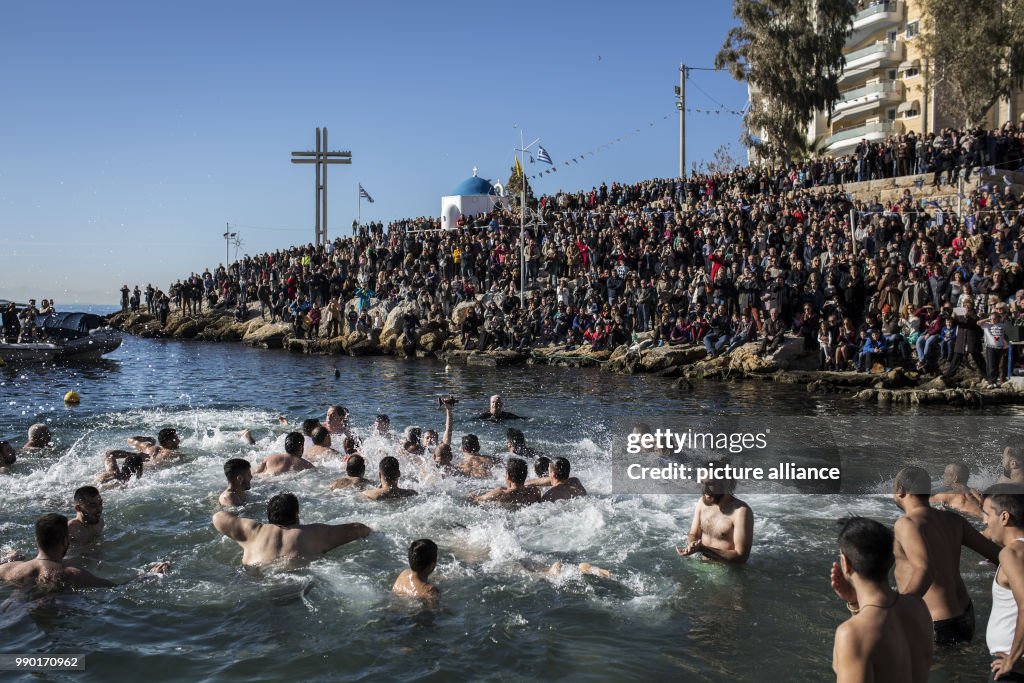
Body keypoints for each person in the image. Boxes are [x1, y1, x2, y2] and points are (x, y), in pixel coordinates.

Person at [891, 465, 1001, 644]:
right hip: (965, 614)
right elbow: (998, 555)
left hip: (936, 624)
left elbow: (925, 570)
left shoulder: (907, 523)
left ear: (900, 490)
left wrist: (898, 610)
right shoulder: (953, 520)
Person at [829, 516, 932, 683]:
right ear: (891, 559)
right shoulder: (917, 607)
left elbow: (866, 637)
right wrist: (855, 604)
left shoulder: (851, 634)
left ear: (846, 563)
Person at [0, 513, 168, 587]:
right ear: (65, 540)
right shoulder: (72, 574)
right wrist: (151, 575)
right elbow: (117, 588)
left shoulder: (8, 568)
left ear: (37, 540)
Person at [212, 493, 371, 568]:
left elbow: (218, 517)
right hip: (291, 582)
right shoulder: (314, 533)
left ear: (269, 516)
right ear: (296, 515)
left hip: (253, 579)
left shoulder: (252, 531)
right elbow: (358, 529)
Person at [982, 485, 1024, 681]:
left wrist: (1012, 660)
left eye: (987, 514)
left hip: (1012, 668)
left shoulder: (1011, 553)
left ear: (1005, 517)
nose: (984, 520)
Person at [676, 465, 754, 564]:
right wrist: (693, 545)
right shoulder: (702, 503)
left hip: (726, 573)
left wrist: (704, 549)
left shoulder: (741, 511)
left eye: (710, 484)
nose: (705, 489)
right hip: (700, 564)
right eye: (702, 483)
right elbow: (693, 534)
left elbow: (741, 557)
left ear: (725, 483)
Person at [473, 458, 541, 509]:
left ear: (507, 476)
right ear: (525, 475)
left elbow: (477, 500)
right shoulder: (534, 491)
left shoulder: (500, 493)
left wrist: (472, 495)